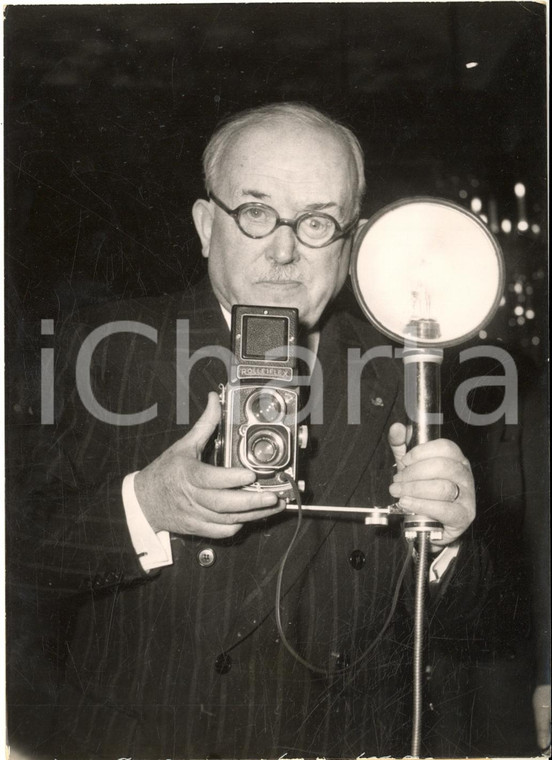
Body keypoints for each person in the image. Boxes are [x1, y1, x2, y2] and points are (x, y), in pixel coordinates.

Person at [9, 102, 488, 759]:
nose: (285, 249)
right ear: (207, 226)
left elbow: (477, 629)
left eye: (318, 221)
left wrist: (450, 542)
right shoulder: (105, 352)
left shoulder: (408, 382)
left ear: (350, 245)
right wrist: (143, 507)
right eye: (256, 212)